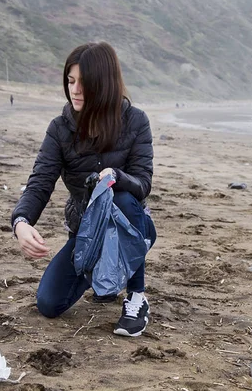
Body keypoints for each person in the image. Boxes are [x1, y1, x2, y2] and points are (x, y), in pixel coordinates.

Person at [11, 42, 156, 337]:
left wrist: (115, 175)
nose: (75, 90)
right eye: (70, 81)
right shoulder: (60, 129)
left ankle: (137, 298)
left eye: (84, 83)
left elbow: (143, 184)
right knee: (49, 304)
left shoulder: (136, 121)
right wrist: (21, 222)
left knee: (121, 197)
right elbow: (41, 181)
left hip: (130, 224)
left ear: (104, 84)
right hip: (86, 232)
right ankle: (103, 271)